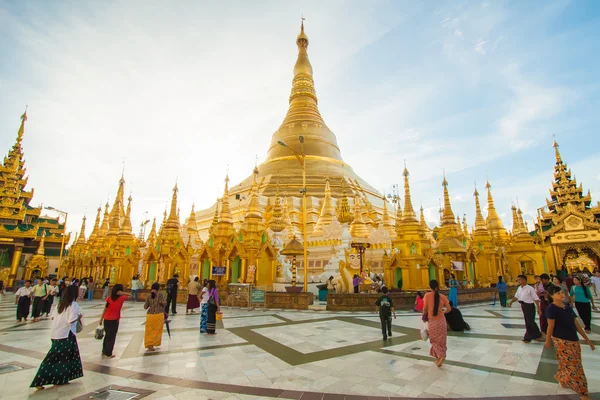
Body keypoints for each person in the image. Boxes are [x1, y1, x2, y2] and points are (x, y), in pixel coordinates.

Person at [545, 286, 595, 400]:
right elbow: (550, 326)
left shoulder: (567, 307)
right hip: (561, 341)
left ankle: (563, 378)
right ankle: (583, 393)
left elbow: (576, 324)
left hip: (573, 339)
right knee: (574, 366)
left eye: (561, 292)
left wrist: (587, 340)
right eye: (557, 293)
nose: (561, 294)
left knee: (569, 363)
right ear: (552, 296)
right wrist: (548, 340)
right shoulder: (551, 309)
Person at [30, 285, 83, 390]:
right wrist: (79, 316)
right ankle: (40, 381)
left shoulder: (60, 304)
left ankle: (61, 379)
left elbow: (53, 317)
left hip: (55, 333)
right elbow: (71, 320)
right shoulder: (73, 305)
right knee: (56, 358)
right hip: (66, 334)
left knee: (62, 357)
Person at [508, 275, 543, 343]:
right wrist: (511, 302)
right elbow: (516, 296)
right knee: (528, 321)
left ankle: (531, 336)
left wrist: (539, 309)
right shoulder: (519, 288)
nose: (518, 281)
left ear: (524, 280)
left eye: (519, 279)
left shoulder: (530, 288)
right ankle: (533, 336)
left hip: (529, 306)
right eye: (518, 280)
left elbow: (536, 299)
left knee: (530, 321)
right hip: (523, 306)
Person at [423, 280, 451, 367]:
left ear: (430, 287)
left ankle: (441, 356)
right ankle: (439, 358)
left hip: (432, 322)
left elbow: (425, 309)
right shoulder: (442, 296)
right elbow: (449, 309)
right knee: (441, 341)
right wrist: (443, 312)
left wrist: (424, 316)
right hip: (441, 322)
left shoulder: (427, 295)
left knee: (434, 340)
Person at [99, 284, 130, 358]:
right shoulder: (121, 298)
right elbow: (131, 295)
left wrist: (101, 319)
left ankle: (104, 351)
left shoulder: (109, 298)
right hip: (114, 320)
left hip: (106, 319)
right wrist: (123, 293)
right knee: (112, 336)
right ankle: (108, 353)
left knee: (107, 335)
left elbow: (105, 309)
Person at [144, 282, 166, 351]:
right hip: (158, 315)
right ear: (158, 288)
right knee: (157, 330)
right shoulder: (161, 294)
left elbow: (145, 307)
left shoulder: (148, 295)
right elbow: (164, 303)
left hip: (150, 315)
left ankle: (148, 343)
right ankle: (153, 343)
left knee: (149, 331)